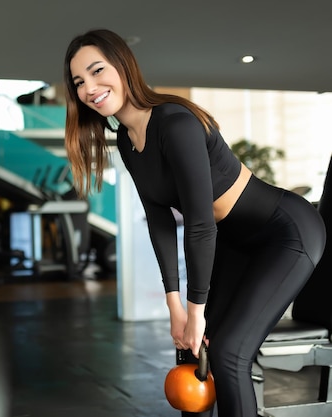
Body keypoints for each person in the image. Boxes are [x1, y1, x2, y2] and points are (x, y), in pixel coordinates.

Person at [63, 28, 326, 417]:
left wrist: (196, 310)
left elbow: (201, 222)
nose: (90, 87)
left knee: (229, 351)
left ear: (122, 65)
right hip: (237, 241)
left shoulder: (174, 121)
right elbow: (160, 222)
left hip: (285, 231)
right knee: (193, 349)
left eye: (98, 70)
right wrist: (176, 309)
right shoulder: (126, 141)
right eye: (79, 82)